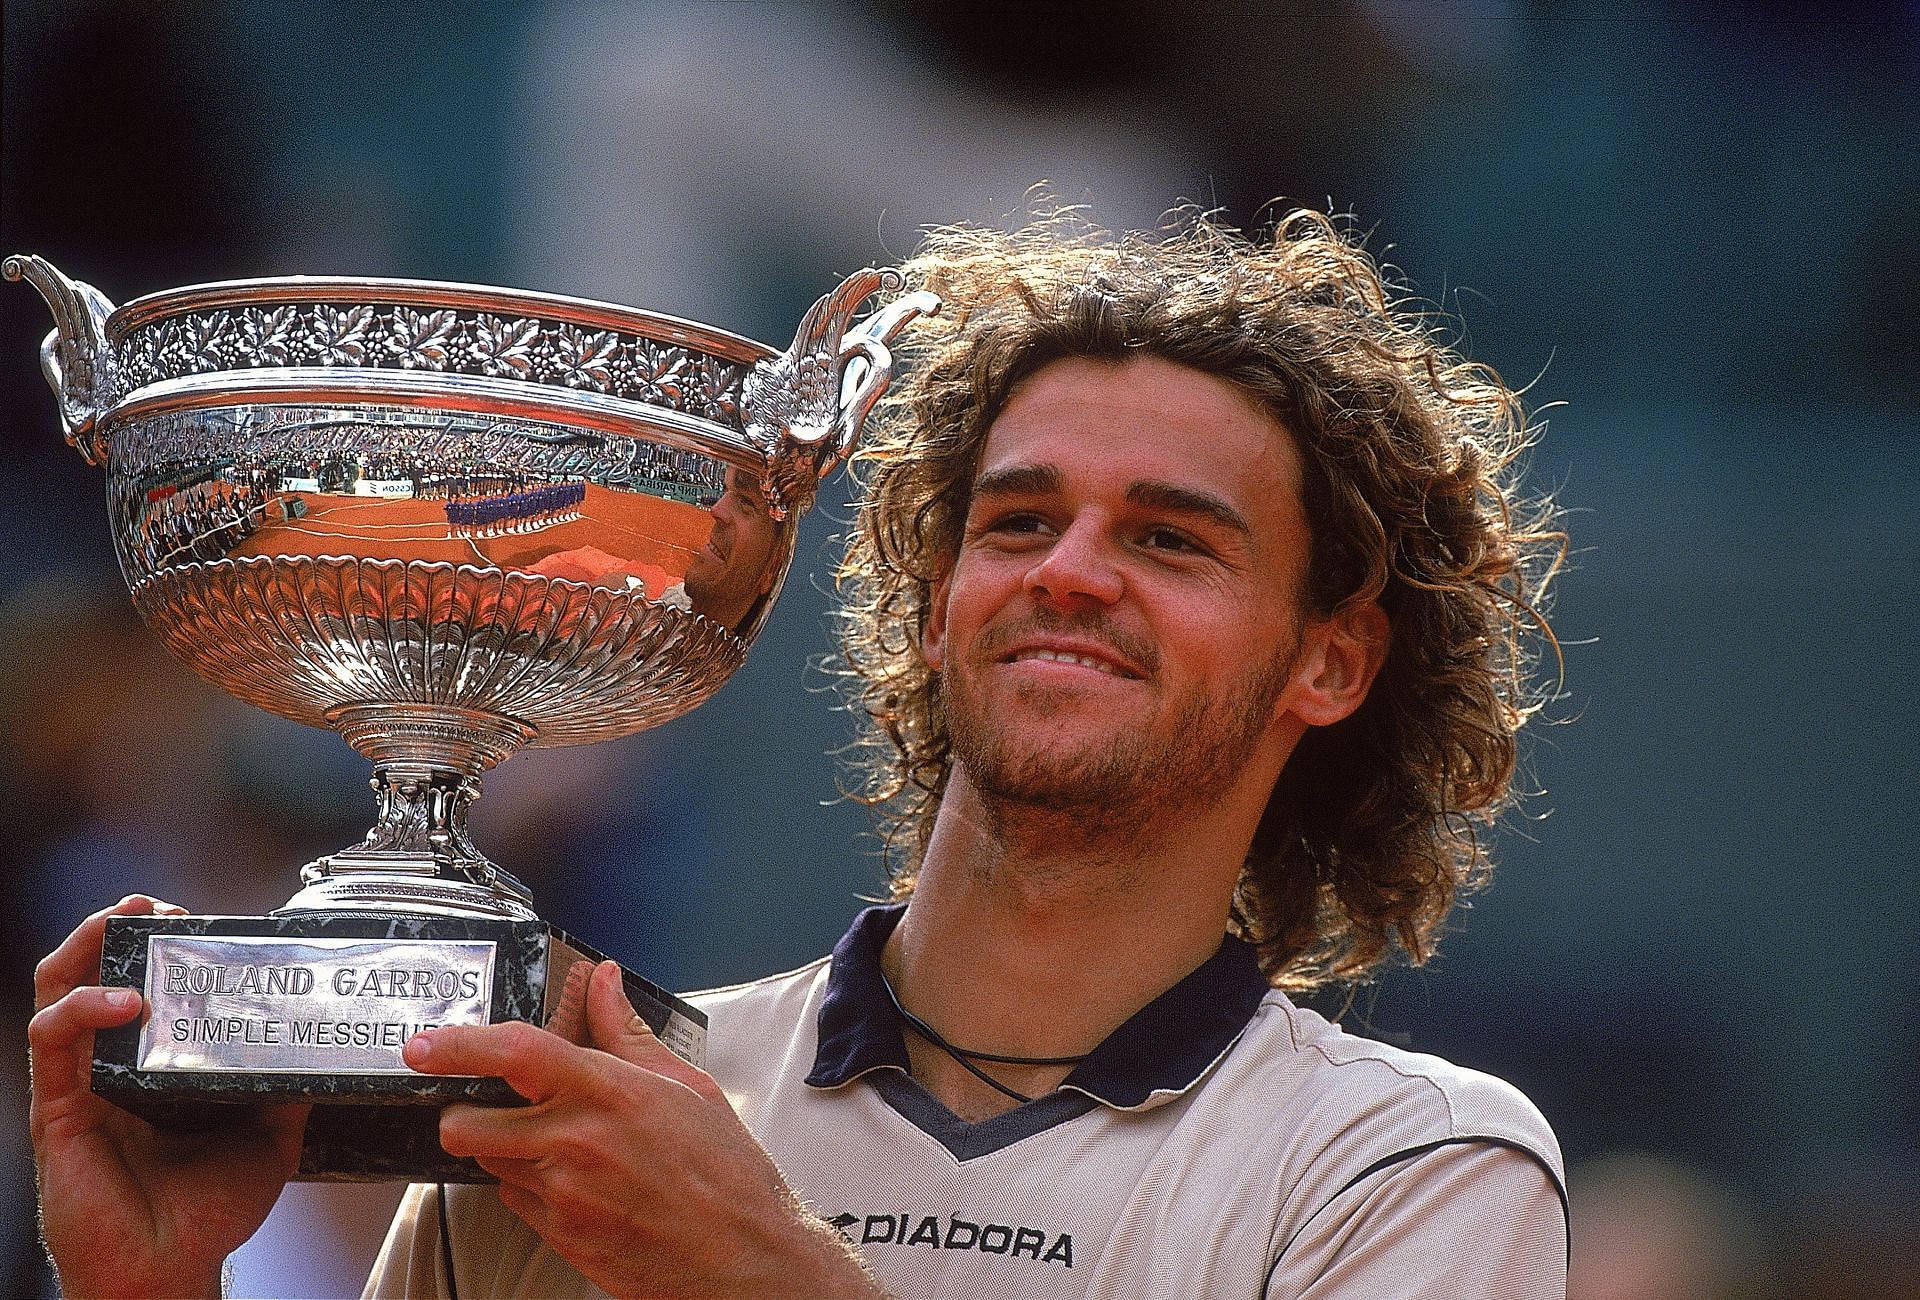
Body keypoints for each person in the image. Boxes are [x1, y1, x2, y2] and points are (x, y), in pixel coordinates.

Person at [30, 207, 1568, 1298]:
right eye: (1017, 521)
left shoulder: (1405, 1169)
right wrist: (146, 1294)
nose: (1070, 570)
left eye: (1170, 540)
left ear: (1331, 657)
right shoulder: (578, 1114)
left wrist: (756, 1273)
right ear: (933, 608)